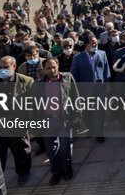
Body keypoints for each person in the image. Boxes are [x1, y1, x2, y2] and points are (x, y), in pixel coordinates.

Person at [0, 56, 34, 185]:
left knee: (21, 150)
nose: (2, 70)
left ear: (14, 66)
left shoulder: (26, 81)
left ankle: (23, 172)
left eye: (5, 67)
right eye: (0, 67)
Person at [40, 57, 80, 186]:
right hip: (47, 121)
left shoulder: (67, 77)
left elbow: (75, 95)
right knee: (51, 150)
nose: (52, 70)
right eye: (48, 68)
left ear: (58, 65)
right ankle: (56, 172)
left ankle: (67, 169)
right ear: (44, 70)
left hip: (64, 119)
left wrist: (77, 113)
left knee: (64, 147)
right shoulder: (39, 84)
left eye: (54, 66)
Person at [70, 34, 111, 141]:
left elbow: (106, 70)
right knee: (87, 113)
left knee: (100, 112)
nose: (96, 44)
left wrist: (107, 84)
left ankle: (99, 133)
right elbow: (74, 76)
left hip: (100, 88)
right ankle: (91, 128)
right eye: (93, 43)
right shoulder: (77, 58)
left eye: (96, 43)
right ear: (87, 45)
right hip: (85, 91)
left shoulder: (102, 54)